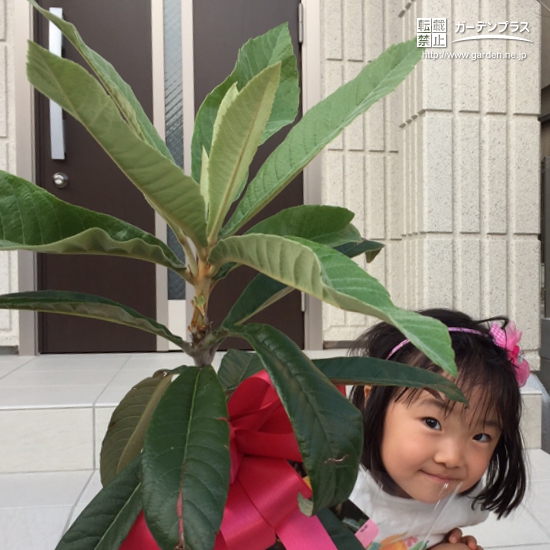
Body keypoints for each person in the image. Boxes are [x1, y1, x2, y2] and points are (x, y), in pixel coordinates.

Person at [348, 309, 529, 550]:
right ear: (373, 400)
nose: (452, 458)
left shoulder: (462, 502)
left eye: (480, 436)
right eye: (432, 423)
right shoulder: (338, 493)